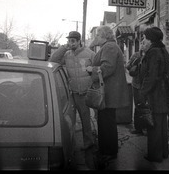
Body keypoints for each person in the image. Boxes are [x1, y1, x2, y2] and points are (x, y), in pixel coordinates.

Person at [86, 25, 130, 162]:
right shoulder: (109, 46)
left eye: (98, 35)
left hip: (109, 92)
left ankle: (109, 151)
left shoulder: (109, 47)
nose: (96, 38)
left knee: (107, 123)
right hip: (109, 90)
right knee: (106, 122)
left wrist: (90, 69)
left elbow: (107, 68)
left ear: (104, 36)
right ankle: (107, 149)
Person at [49, 31, 96, 151]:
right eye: (69, 40)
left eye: (73, 41)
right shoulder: (67, 54)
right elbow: (53, 60)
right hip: (71, 92)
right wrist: (64, 47)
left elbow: (97, 69)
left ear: (79, 41)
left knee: (85, 119)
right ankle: (71, 143)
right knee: (70, 119)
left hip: (85, 92)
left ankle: (89, 142)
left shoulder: (90, 54)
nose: (71, 43)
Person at [138, 27, 169, 163]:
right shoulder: (162, 50)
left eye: (145, 37)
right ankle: (163, 152)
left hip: (156, 93)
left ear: (151, 39)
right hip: (164, 91)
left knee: (153, 125)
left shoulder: (153, 52)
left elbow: (151, 75)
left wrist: (143, 92)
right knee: (161, 125)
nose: (143, 40)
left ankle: (155, 155)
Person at [126, 43, 145, 135]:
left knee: (146, 107)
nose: (142, 45)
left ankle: (147, 127)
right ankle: (138, 128)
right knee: (137, 106)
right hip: (136, 84)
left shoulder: (151, 55)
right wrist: (134, 62)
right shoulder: (136, 55)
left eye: (144, 43)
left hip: (146, 85)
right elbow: (128, 66)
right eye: (142, 43)